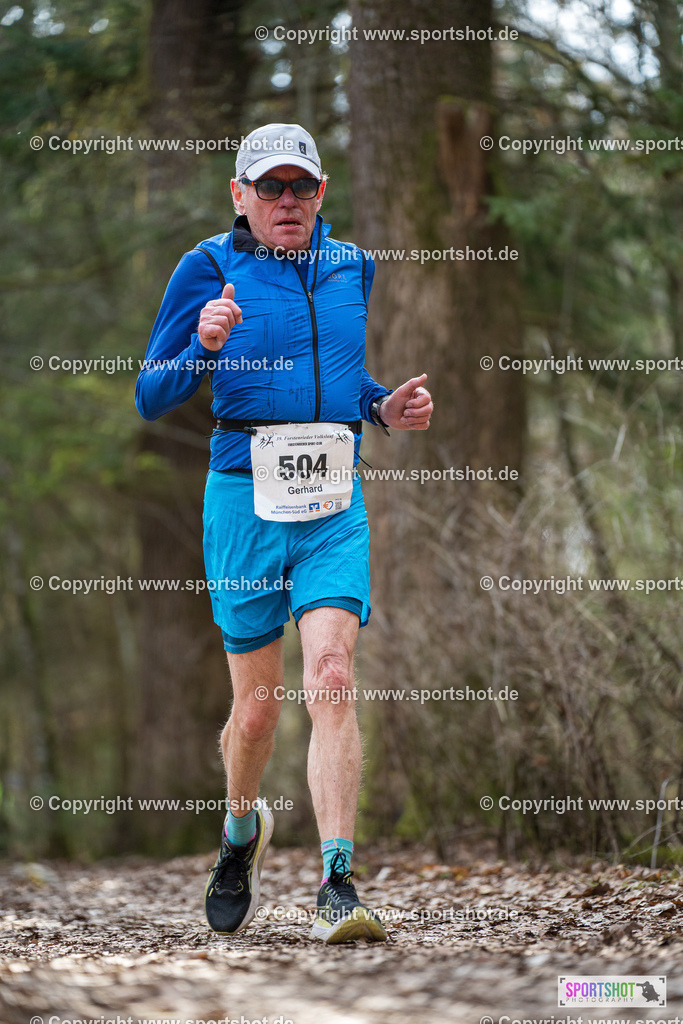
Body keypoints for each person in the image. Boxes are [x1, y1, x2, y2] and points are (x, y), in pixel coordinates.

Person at [135, 123, 433, 944]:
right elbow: (150, 396)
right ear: (241, 196)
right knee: (258, 710)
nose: (287, 200)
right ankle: (239, 835)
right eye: (270, 187)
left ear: (321, 193)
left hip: (334, 501)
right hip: (243, 500)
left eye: (301, 186)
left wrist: (380, 406)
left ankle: (338, 879)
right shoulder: (206, 268)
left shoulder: (350, 265)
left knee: (331, 675)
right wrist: (201, 345)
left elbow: (340, 377)